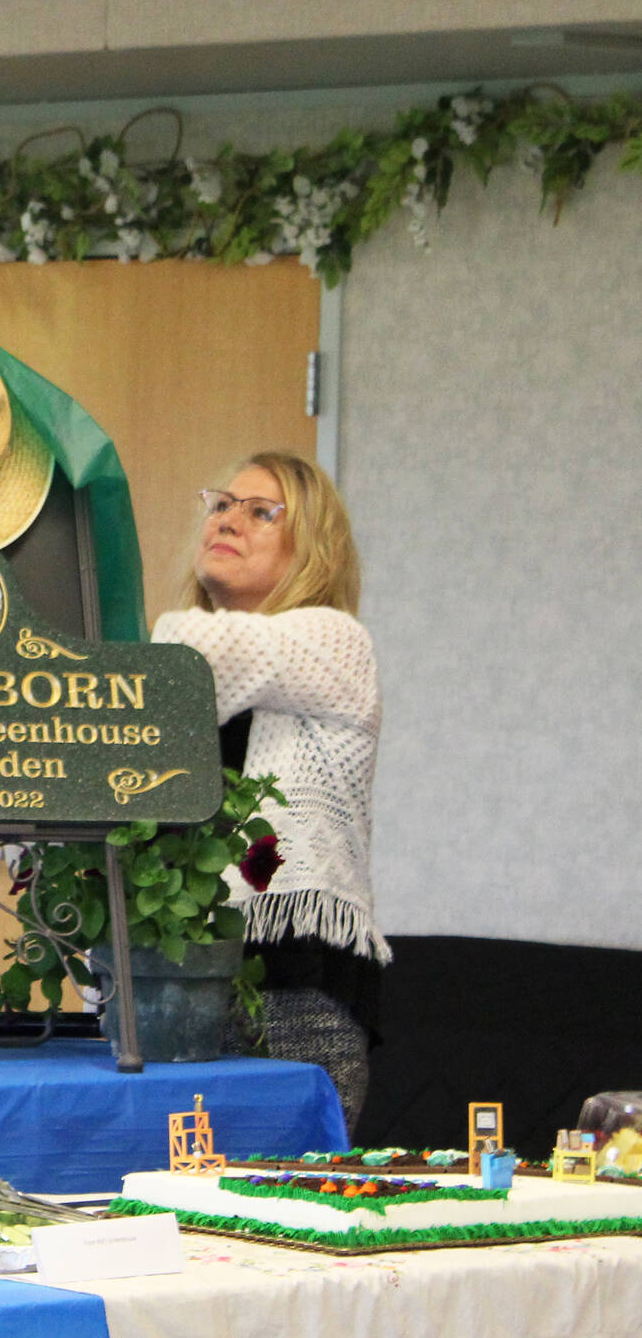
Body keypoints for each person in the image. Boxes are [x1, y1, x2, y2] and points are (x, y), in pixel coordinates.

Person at [151, 450, 385, 1130]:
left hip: (294, 991)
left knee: (285, 1213)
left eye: (261, 512)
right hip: (180, 987)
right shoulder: (184, 669)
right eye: (221, 503)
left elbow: (185, 648)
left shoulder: (335, 641)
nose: (229, 519)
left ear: (311, 547)